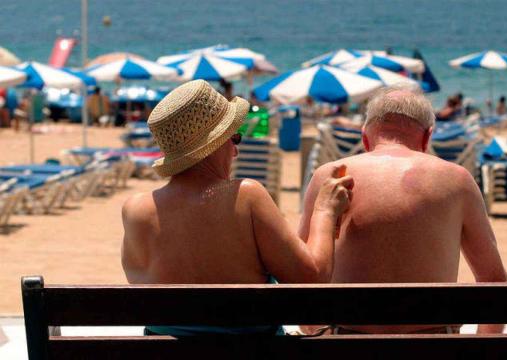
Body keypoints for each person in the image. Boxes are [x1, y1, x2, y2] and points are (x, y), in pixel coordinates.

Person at [121, 80, 354, 336]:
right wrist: (325, 211)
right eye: (234, 138)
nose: (236, 152)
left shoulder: (135, 211)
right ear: (215, 145)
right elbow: (313, 282)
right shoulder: (245, 196)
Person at [300, 85, 507, 335]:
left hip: (347, 345)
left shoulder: (330, 177)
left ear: (365, 137)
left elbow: (299, 276)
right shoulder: (457, 180)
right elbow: (495, 282)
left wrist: (315, 332)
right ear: (427, 137)